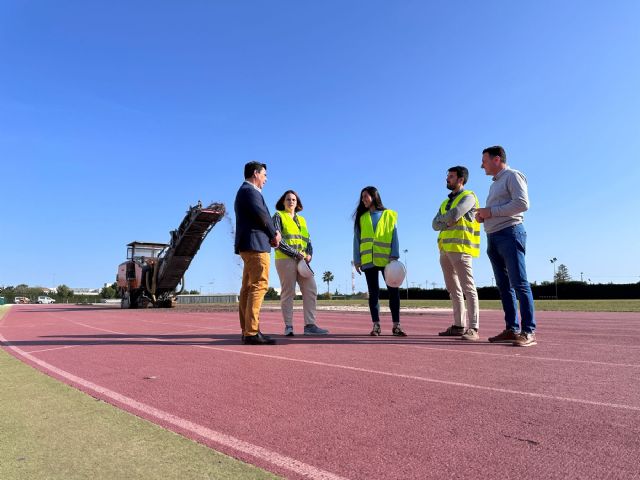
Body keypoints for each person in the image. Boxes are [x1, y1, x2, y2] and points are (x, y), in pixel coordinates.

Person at [476, 146, 537, 347]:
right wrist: (483, 216)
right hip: (493, 236)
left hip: (510, 233)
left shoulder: (513, 175)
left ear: (496, 159)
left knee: (519, 282)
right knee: (504, 286)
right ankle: (512, 328)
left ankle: (528, 331)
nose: (481, 165)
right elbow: (496, 210)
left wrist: (490, 212)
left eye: (484, 160)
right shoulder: (494, 184)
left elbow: (522, 204)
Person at [234, 161, 281, 345]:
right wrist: (274, 234)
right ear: (256, 173)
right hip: (256, 245)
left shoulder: (244, 192)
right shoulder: (249, 191)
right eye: (265, 175)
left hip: (248, 245)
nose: (266, 179)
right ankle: (252, 331)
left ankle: (247, 330)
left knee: (247, 288)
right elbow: (262, 215)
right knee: (259, 285)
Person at [432, 166, 481, 341]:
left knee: (468, 288)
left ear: (460, 179)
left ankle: (473, 327)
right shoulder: (444, 203)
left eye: (451, 176)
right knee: (453, 290)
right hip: (445, 249)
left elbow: (455, 215)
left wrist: (445, 221)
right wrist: (446, 222)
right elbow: (434, 224)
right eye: (447, 176)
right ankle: (459, 325)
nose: (447, 179)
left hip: (461, 248)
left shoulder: (469, 197)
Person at [272, 190, 329, 336]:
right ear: (283, 202)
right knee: (288, 292)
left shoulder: (302, 220)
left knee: (311, 288)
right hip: (285, 259)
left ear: (297, 203)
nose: (291, 201)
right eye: (288, 199)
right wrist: (295, 254)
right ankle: (289, 327)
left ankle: (310, 325)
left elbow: (308, 240)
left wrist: (309, 254)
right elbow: (279, 241)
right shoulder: (278, 216)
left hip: (302, 260)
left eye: (293, 200)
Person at [353, 186, 407, 336]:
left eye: (366, 196)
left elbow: (394, 235)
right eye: (362, 197)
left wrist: (394, 255)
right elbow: (356, 240)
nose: (363, 199)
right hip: (368, 260)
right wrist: (357, 260)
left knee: (393, 292)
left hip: (387, 260)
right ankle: (376, 325)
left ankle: (396, 325)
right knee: (373, 293)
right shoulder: (362, 218)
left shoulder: (389, 215)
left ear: (374, 196)